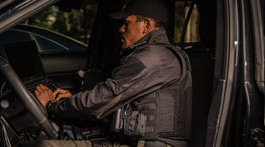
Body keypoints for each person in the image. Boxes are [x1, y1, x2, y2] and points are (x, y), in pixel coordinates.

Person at [35, 0, 192, 146]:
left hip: (149, 144)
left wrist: (52, 106)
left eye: (127, 23)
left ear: (145, 25)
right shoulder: (160, 55)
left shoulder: (150, 58)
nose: (121, 29)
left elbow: (102, 98)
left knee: (42, 145)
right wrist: (72, 100)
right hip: (141, 142)